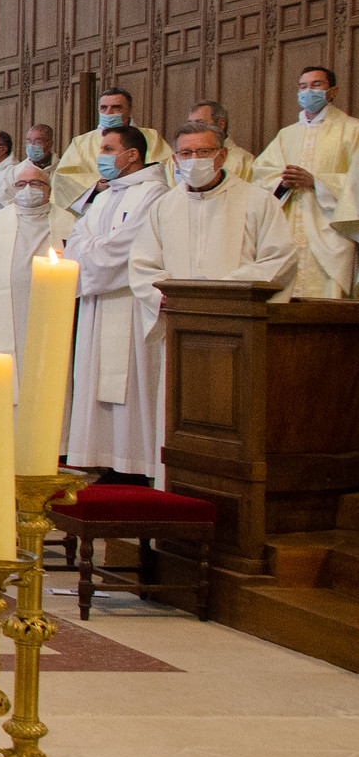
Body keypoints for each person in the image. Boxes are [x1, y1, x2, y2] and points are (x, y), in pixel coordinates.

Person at [130, 121, 296, 474]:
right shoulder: (163, 207)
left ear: (222, 155)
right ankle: (174, 493)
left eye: (203, 152)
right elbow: (142, 266)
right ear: (174, 160)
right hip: (181, 332)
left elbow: (280, 258)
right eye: (186, 153)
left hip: (238, 334)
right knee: (178, 415)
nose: (195, 160)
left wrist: (224, 289)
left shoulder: (256, 200)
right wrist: (174, 299)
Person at [63, 126, 170, 481]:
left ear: (133, 154)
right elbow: (76, 238)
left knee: (132, 383)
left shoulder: (154, 194)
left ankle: (135, 463)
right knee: (96, 380)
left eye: (109, 149)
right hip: (100, 301)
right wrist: (92, 250)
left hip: (131, 301)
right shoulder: (106, 195)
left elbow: (128, 247)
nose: (102, 157)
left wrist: (90, 252)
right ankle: (107, 457)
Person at [0, 161, 74, 388]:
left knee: (49, 381)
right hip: (1, 316)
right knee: (6, 384)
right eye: (21, 184)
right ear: (14, 189)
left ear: (49, 188)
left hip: (52, 315)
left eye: (36, 183)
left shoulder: (68, 222)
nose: (28, 189)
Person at [252, 66, 358, 299]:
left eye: (316, 85)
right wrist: (283, 183)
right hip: (288, 228)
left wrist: (317, 183)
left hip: (330, 232)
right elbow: (260, 174)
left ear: (333, 91)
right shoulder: (286, 135)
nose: (308, 91)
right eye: (303, 86)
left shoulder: (352, 129)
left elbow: (356, 183)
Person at [53, 87, 171, 213]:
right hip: (97, 206)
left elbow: (168, 169)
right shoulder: (81, 142)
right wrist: (95, 186)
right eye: (103, 107)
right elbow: (64, 177)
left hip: (141, 201)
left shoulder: (151, 137)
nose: (109, 112)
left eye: (116, 107)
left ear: (129, 109)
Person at [188, 100, 255, 183]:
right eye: (190, 124)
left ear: (221, 124)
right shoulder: (180, 158)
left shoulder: (243, 160)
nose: (192, 129)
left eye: (200, 123)